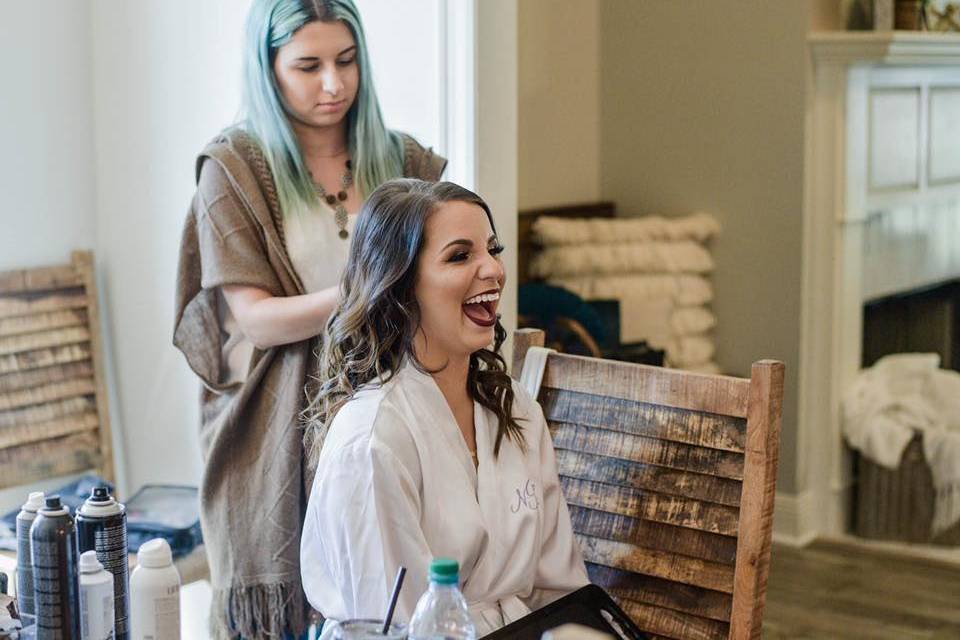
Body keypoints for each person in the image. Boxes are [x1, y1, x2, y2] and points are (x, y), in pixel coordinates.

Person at [173, 1, 446, 636]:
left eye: (347, 61)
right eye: (308, 66)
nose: (334, 84)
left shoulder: (402, 161)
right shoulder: (234, 170)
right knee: (286, 608)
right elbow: (258, 321)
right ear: (267, 69)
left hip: (389, 407)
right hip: (270, 425)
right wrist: (366, 289)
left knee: (392, 590)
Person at [300, 179, 590, 637]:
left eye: (492, 250)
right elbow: (395, 626)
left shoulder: (515, 410)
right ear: (400, 286)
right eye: (460, 256)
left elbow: (563, 593)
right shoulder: (373, 442)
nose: (493, 269)